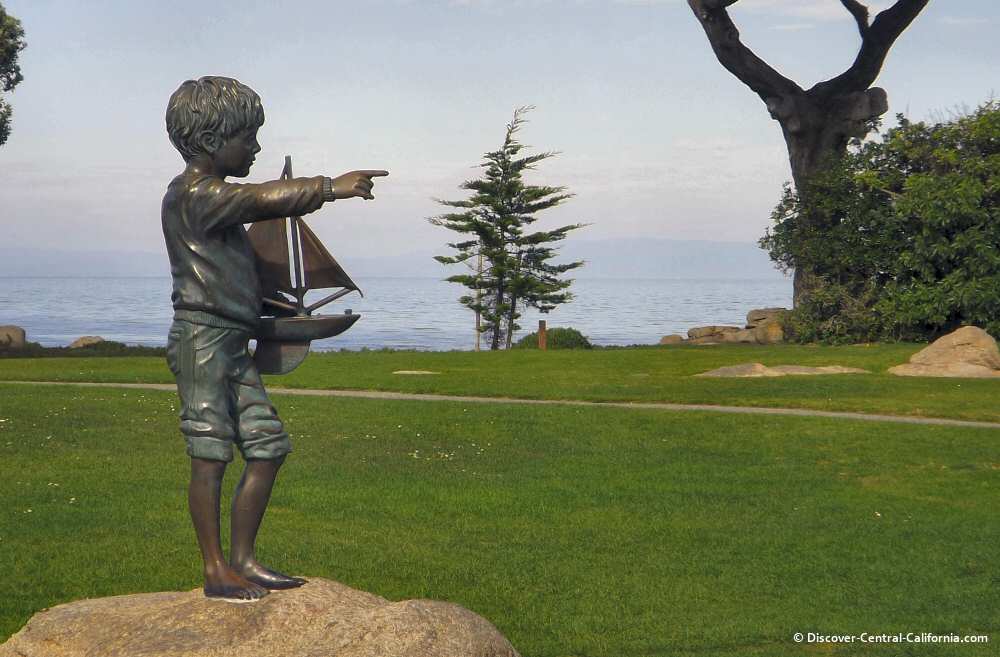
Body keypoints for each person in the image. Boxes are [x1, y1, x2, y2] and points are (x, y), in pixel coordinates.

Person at [162, 76, 387, 600]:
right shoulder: (195, 197)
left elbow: (236, 263)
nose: (257, 148)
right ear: (211, 140)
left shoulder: (217, 206)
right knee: (210, 453)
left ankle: (244, 559)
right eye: (249, 138)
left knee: (267, 448)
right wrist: (329, 187)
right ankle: (215, 569)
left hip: (233, 343)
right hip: (203, 343)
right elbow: (261, 198)